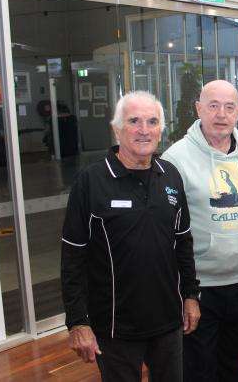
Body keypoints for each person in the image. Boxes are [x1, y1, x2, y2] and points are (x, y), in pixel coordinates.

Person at [60, 91, 200, 382]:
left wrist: (190, 295)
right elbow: (73, 257)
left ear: (161, 129)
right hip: (114, 327)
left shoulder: (170, 176)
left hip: (168, 322)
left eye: (152, 121)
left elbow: (183, 243)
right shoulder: (91, 181)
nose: (144, 130)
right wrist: (77, 321)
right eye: (134, 121)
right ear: (117, 128)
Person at [161, 79, 238, 382]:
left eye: (228, 107)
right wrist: (185, 291)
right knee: (198, 371)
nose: (221, 114)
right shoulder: (175, 158)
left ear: (237, 112)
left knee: (233, 366)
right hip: (200, 289)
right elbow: (168, 232)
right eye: (213, 106)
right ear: (199, 109)